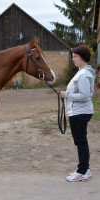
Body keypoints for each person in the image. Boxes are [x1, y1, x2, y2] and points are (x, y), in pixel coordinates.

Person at [59, 45, 96, 182]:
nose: (73, 59)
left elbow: (84, 96)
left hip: (80, 113)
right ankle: (84, 169)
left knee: (81, 143)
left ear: (82, 58)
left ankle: (83, 171)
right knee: (81, 142)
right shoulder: (82, 72)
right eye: (72, 56)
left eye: (75, 57)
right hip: (78, 112)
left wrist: (66, 94)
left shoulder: (84, 74)